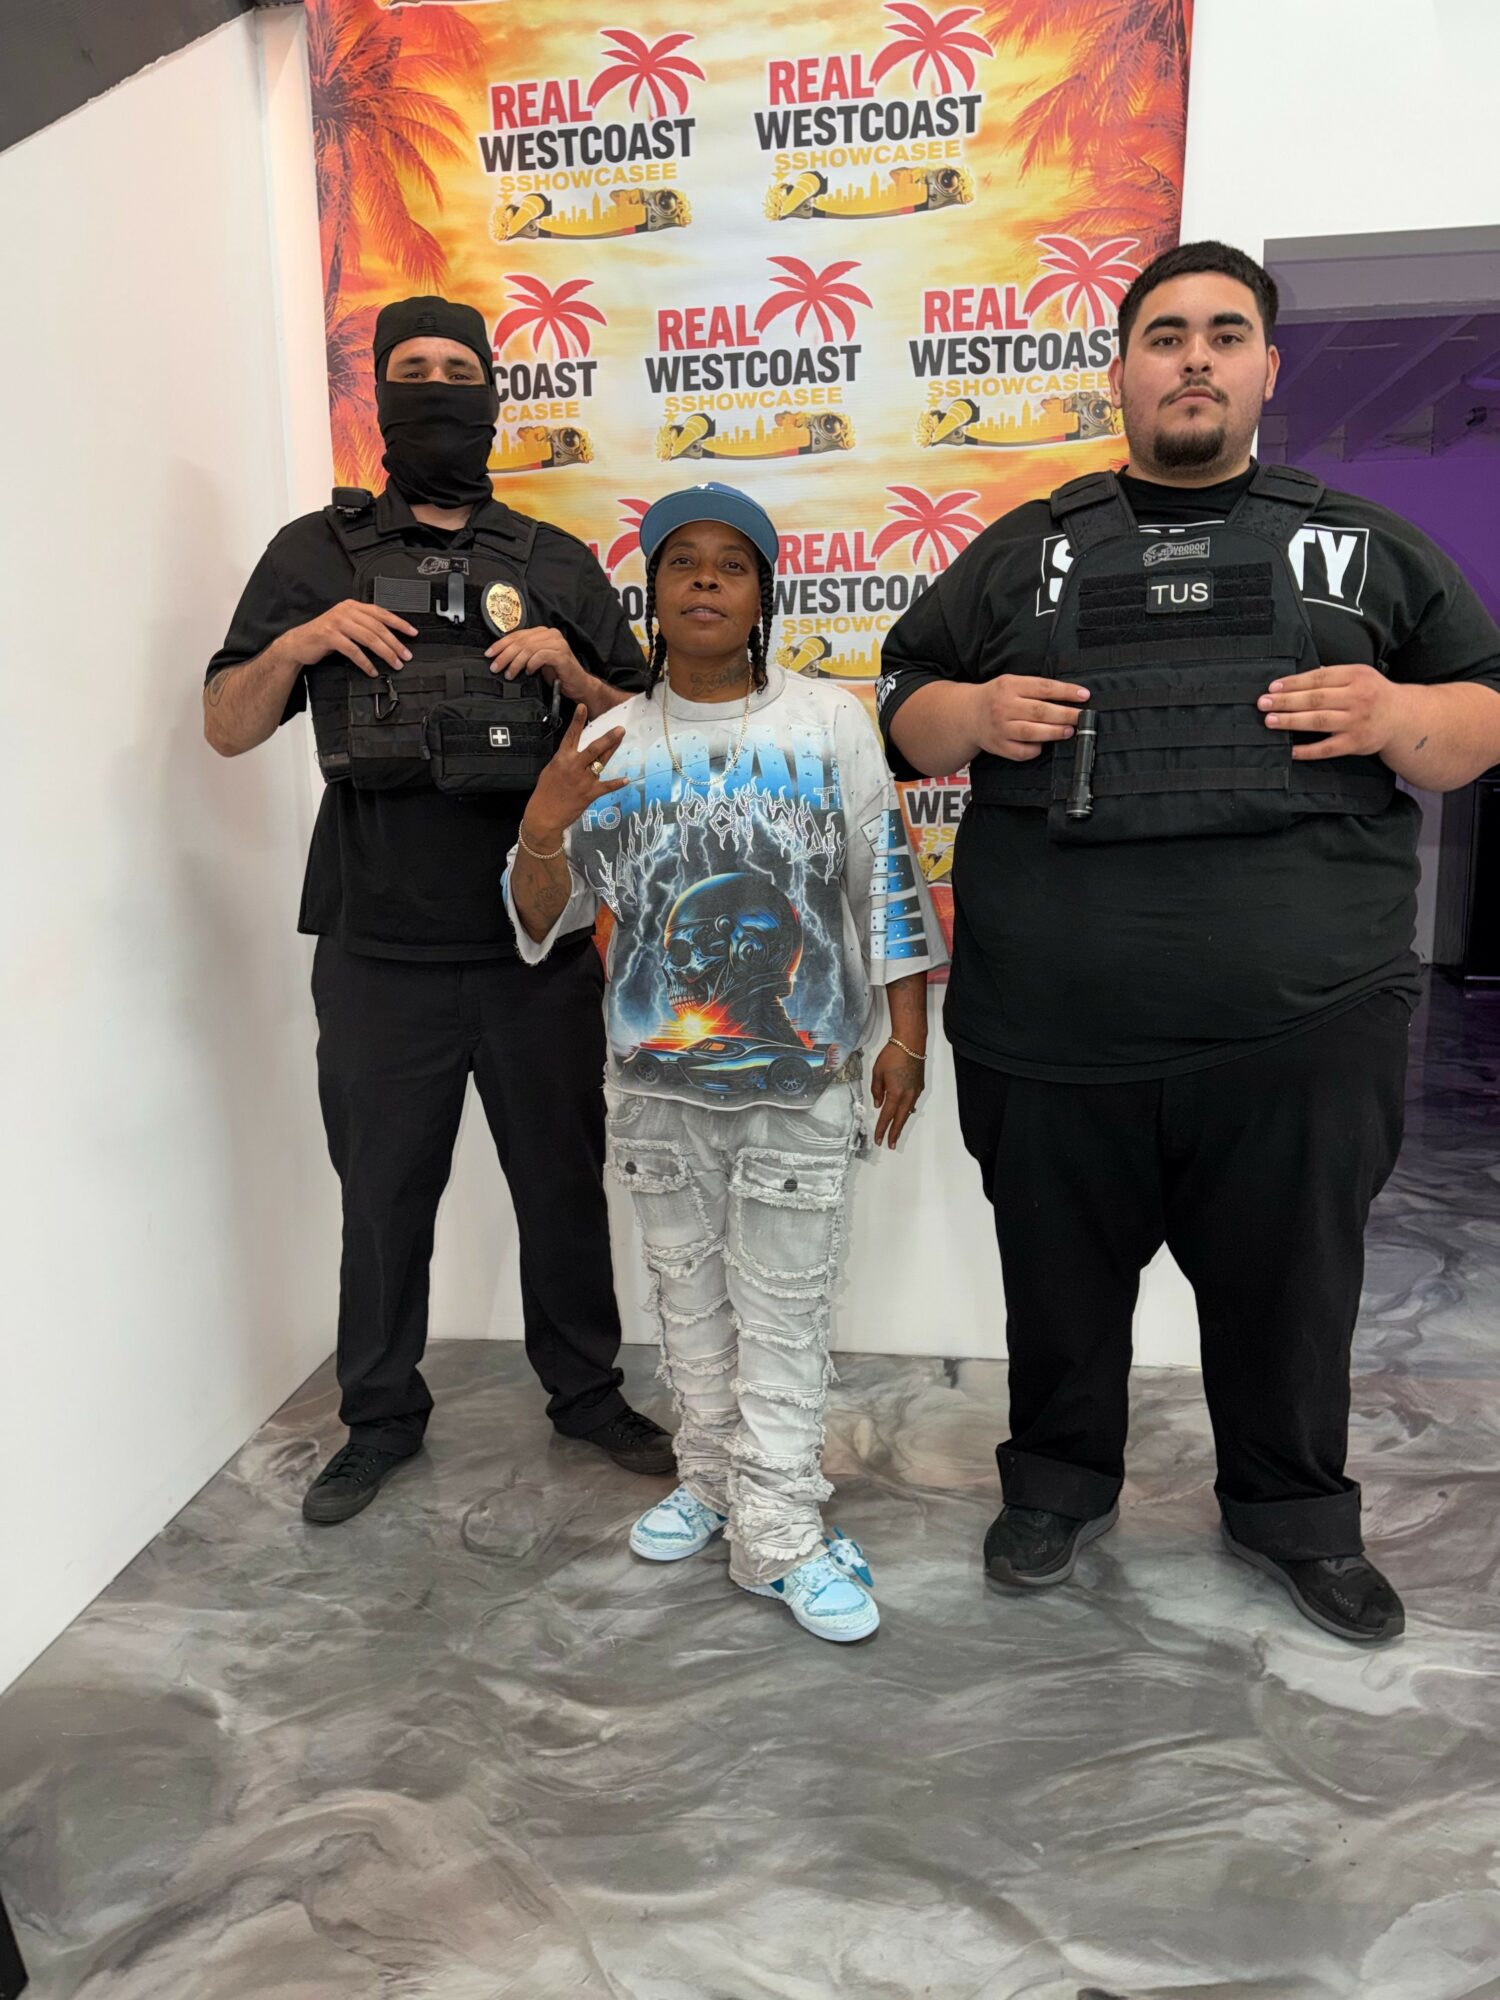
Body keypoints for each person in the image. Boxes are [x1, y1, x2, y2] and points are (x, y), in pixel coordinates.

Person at [879, 241, 1500, 1646]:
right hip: (1051, 1027)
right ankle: (1057, 1487)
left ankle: (1292, 1515)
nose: (1196, 358)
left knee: (1293, 1300)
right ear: (1123, 368)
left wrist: (1398, 716)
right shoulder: (1029, 547)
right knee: (1058, 1291)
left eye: (1227, 333)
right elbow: (905, 692)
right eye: (1166, 335)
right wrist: (966, 721)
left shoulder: (1361, 546)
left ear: (1269, 368)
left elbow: (1485, 712)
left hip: (1302, 1022)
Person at [203, 294, 674, 1524]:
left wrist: (573, 671)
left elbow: (647, 739)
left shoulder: (554, 560)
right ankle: (378, 1415)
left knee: (561, 1184)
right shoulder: (316, 552)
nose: (436, 390)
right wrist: (306, 639)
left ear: (493, 394)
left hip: (536, 938)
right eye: (410, 371)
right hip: (375, 945)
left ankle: (585, 1391)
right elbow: (226, 722)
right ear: (380, 395)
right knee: (382, 1191)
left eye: (458, 370)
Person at [507, 483, 945, 1643]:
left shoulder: (829, 725)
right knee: (687, 1309)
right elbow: (542, 921)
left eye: (732, 563)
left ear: (762, 593)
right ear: (651, 589)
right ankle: (708, 1481)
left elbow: (884, 885)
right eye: (682, 561)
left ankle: (784, 1530)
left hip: (799, 1088)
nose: (704, 579)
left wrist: (906, 1034)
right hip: (653, 1094)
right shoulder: (610, 741)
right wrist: (544, 825)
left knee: (786, 1316)